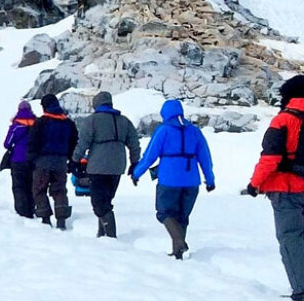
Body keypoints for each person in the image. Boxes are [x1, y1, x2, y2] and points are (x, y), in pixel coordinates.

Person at [246, 75, 304, 301]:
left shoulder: (283, 120)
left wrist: (254, 183)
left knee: (291, 238)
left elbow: (270, 158)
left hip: (286, 190)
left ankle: (303, 291)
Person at [131, 99, 215, 259]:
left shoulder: (163, 130)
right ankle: (178, 253)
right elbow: (205, 157)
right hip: (192, 181)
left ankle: (179, 242)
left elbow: (149, 156)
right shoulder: (194, 131)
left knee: (164, 212)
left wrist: (137, 173)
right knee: (182, 217)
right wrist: (210, 180)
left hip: (169, 180)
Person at [72, 91, 140, 238]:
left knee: (99, 203)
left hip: (98, 166)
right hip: (118, 166)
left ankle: (110, 236)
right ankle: (102, 234)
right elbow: (134, 144)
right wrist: (134, 162)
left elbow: (83, 143)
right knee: (106, 200)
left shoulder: (92, 121)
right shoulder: (124, 121)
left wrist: (75, 160)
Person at [26, 94, 78, 229]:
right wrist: (72, 161)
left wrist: (30, 159)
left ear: (45, 106)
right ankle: (61, 220)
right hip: (61, 162)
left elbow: (33, 143)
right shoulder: (69, 123)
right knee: (59, 190)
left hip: (42, 162)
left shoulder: (41, 122)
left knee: (39, 189)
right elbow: (74, 144)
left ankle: (45, 219)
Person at [3, 100, 37, 219]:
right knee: (31, 185)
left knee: (19, 186)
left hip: (17, 160)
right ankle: (31, 209)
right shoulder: (37, 123)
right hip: (33, 160)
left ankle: (22, 212)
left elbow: (7, 143)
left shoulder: (16, 125)